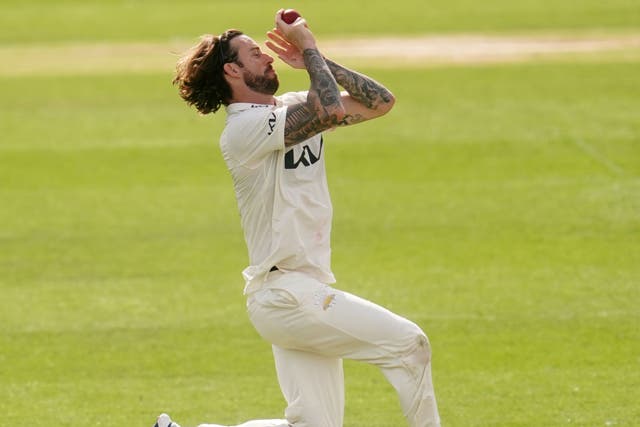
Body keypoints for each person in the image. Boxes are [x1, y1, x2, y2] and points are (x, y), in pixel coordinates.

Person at [159, 9, 441, 427]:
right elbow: (327, 111)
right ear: (233, 70)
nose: (268, 57)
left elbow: (381, 102)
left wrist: (318, 59)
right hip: (284, 292)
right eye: (256, 53)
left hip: (303, 290)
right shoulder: (244, 130)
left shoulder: (291, 106)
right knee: (409, 344)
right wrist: (307, 47)